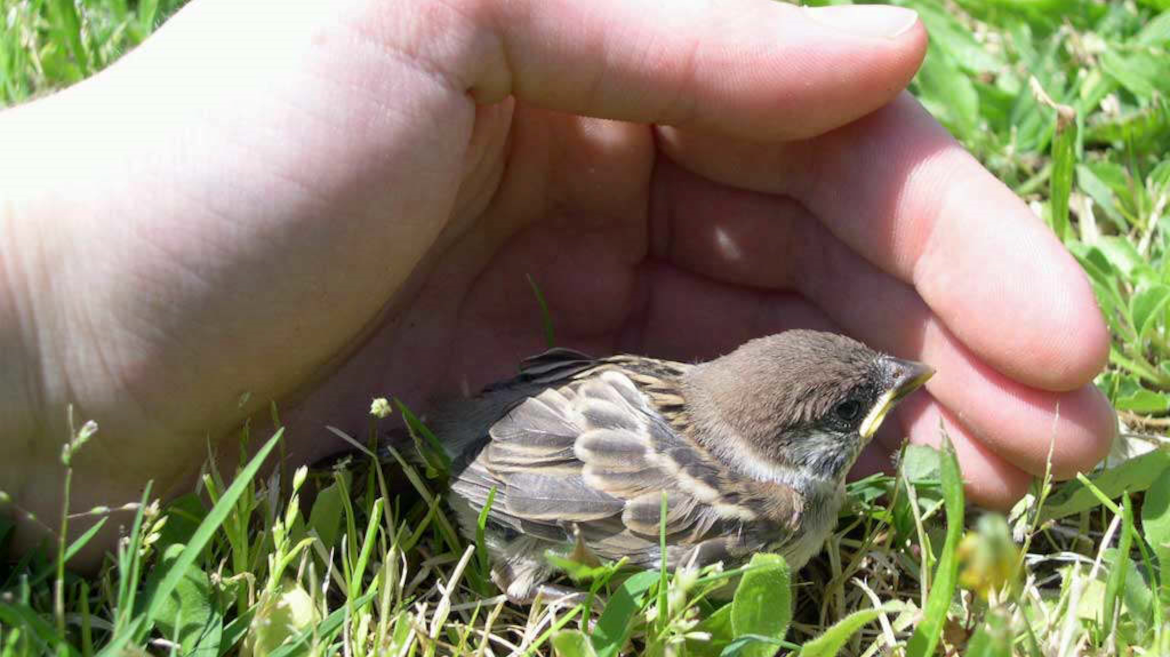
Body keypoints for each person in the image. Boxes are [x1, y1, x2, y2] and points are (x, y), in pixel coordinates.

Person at [0, 0, 1116, 566]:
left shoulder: (699, 400)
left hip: (517, 398)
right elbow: (563, 491)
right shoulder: (767, 506)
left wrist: (47, 330)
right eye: (851, 409)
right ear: (796, 441)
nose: (883, 394)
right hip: (518, 476)